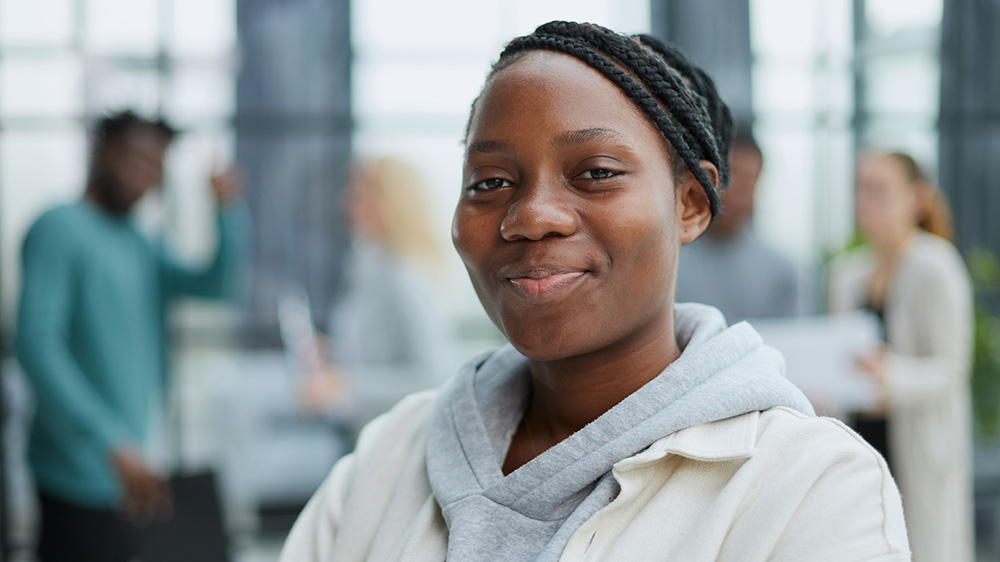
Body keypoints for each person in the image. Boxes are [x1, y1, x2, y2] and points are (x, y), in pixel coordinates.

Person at [281, 21, 909, 561]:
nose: (531, 216)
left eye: (596, 173)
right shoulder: (389, 455)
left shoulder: (809, 483)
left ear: (690, 204)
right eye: (490, 181)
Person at [16, 110, 247, 562]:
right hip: (79, 470)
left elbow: (214, 288)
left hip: (133, 468)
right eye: (138, 158)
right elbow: (36, 344)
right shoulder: (60, 227)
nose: (147, 175)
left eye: (157, 166)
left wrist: (227, 213)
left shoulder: (140, 241)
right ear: (105, 152)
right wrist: (109, 440)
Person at [829, 151, 974, 562]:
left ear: (916, 198)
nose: (865, 200)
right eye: (861, 188)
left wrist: (891, 376)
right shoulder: (846, 274)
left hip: (918, 454)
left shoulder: (938, 266)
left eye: (878, 189)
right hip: (863, 452)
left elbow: (952, 369)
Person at [299, 156, 453, 435]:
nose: (345, 202)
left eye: (358, 194)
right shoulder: (367, 271)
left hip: (392, 442)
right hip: (360, 434)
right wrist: (332, 351)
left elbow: (432, 377)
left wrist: (343, 386)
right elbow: (375, 350)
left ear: (389, 204)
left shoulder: (405, 279)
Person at [675, 130, 799, 323]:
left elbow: (790, 341)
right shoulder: (669, 262)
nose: (735, 195)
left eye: (748, 182)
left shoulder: (780, 270)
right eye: (728, 181)